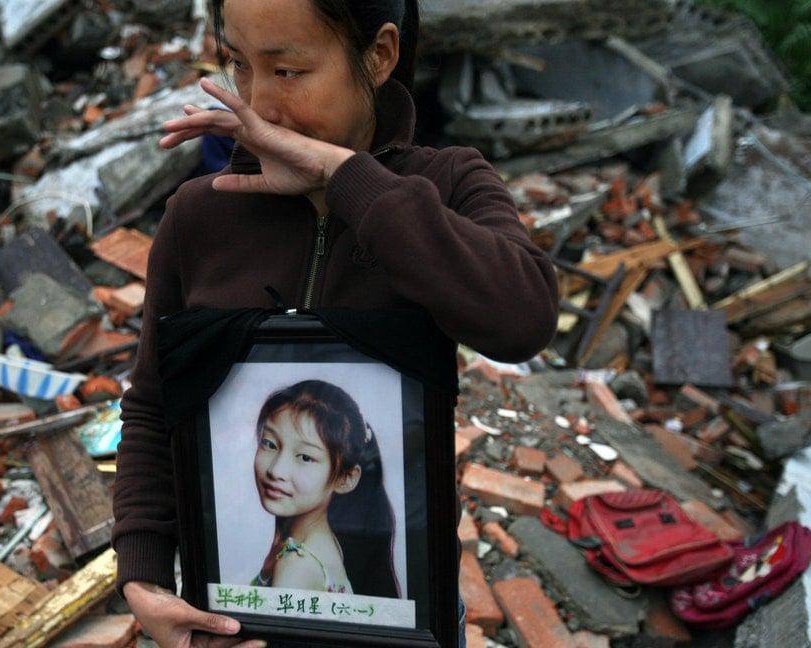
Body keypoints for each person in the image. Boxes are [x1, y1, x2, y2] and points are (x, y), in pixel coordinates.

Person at [113, 0, 560, 646]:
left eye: (288, 71)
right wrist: (145, 579)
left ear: (378, 56)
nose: (258, 105)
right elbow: (156, 405)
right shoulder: (200, 218)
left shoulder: (446, 188)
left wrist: (344, 179)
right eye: (239, 64)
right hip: (240, 627)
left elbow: (523, 318)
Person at [249, 380, 399, 598]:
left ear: (345, 478)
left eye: (305, 457)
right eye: (270, 444)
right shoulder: (322, 544)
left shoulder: (296, 566)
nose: (276, 470)